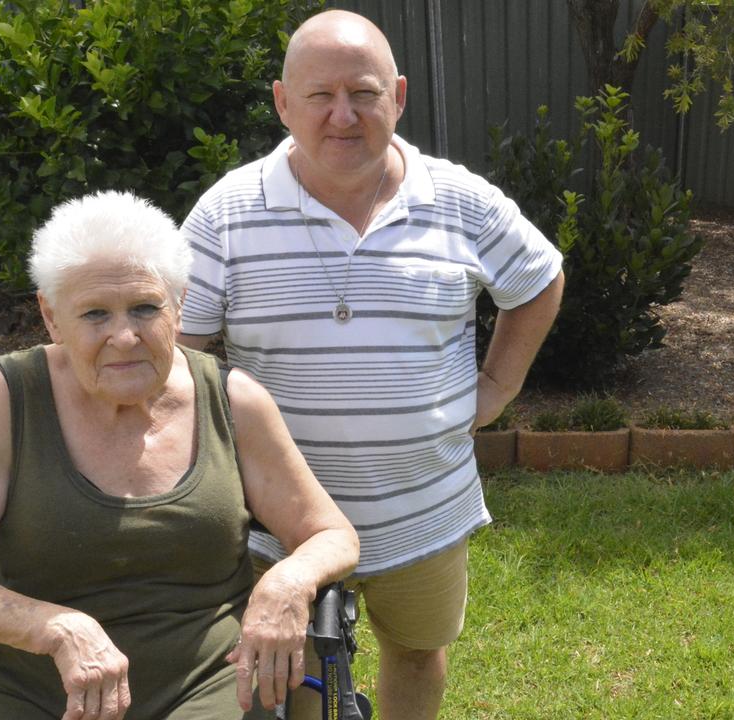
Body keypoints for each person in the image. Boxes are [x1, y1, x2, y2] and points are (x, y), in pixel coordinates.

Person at [177, 9, 564, 719]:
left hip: (424, 513)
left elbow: (538, 281)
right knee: (287, 674)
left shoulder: (462, 201)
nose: (343, 116)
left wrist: (497, 387)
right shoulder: (224, 215)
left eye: (363, 92)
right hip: (279, 526)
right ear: (282, 102)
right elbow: (180, 357)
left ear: (400, 96)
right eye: (320, 96)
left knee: (418, 654)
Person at [0, 190, 359, 719]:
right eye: (94, 314)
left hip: (208, 684)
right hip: (42, 692)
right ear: (51, 316)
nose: (124, 336)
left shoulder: (231, 398)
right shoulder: (9, 397)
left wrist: (289, 580)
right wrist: (54, 627)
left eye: (145, 308)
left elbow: (330, 533)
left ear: (178, 306)